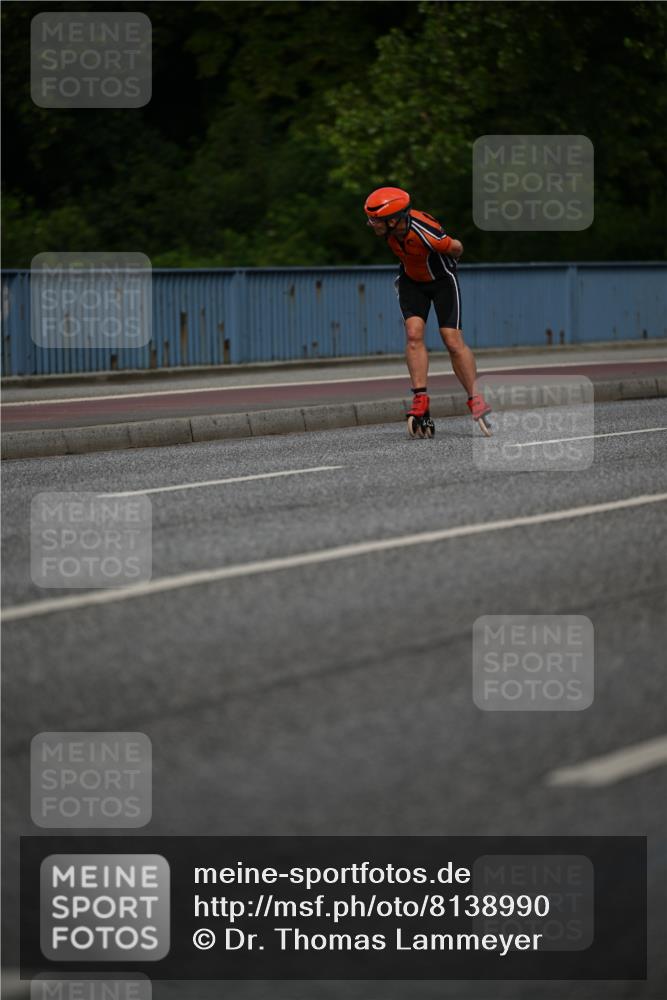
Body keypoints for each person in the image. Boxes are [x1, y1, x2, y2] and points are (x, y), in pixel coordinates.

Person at [364, 186, 491, 437]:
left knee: (452, 341)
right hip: (412, 282)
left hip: (442, 281)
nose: (370, 224)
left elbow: (457, 247)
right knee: (413, 334)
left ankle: (475, 397)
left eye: (374, 220)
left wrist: (451, 253)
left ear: (393, 220)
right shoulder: (390, 232)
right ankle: (420, 399)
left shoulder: (426, 233)